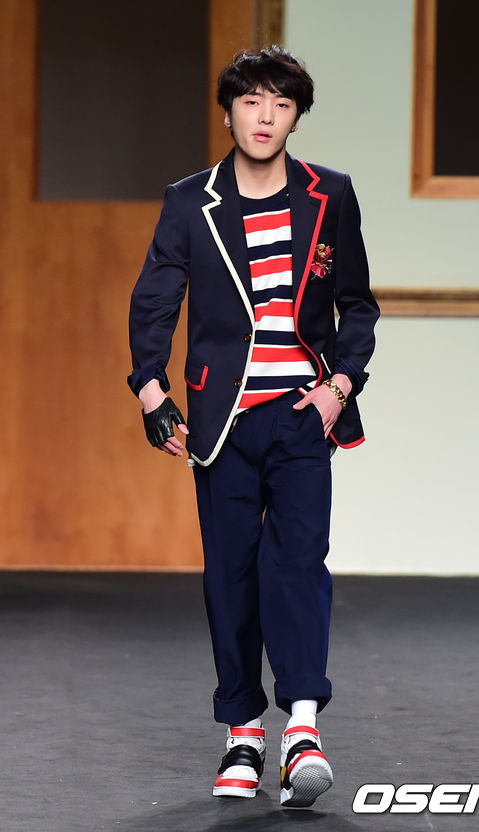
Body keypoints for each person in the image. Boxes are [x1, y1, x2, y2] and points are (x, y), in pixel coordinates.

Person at [128, 45, 379, 808]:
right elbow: (155, 299)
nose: (265, 116)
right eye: (251, 101)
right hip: (223, 420)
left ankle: (302, 728)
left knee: (299, 564)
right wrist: (151, 391)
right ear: (228, 111)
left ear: (296, 116)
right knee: (230, 576)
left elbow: (357, 305)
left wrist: (339, 385)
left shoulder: (330, 194)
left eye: (281, 103)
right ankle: (243, 731)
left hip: (302, 415)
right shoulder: (190, 201)